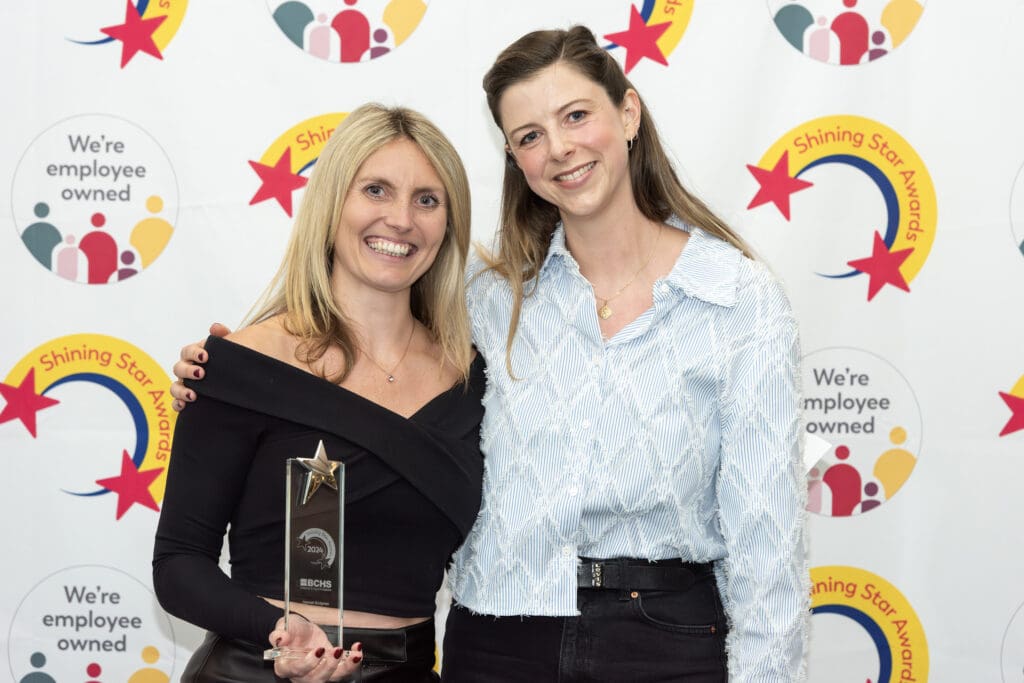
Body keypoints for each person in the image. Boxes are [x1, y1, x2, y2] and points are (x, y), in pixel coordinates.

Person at [171, 26, 808, 682]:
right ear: (514, 158)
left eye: (576, 115)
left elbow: (767, 541)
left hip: (664, 635)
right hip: (498, 638)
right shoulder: (484, 303)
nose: (559, 148)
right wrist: (230, 376)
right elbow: (351, 360)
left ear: (628, 112)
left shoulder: (737, 298)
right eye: (530, 135)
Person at [153, 103, 485, 683]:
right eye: (376, 190)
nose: (401, 219)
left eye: (427, 200)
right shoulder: (239, 365)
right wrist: (279, 630)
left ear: (449, 224)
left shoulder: (473, 382)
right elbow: (179, 564)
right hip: (257, 669)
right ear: (332, 204)